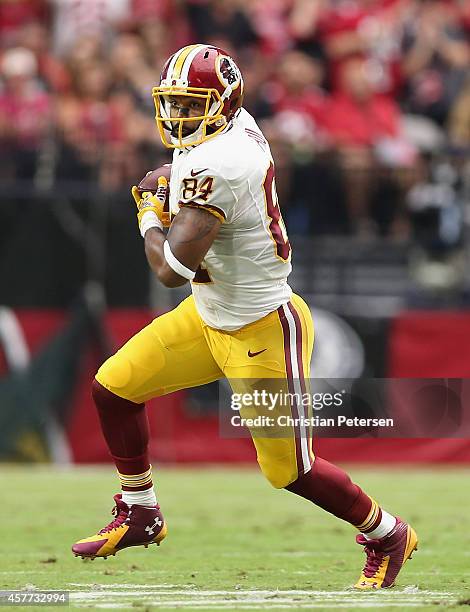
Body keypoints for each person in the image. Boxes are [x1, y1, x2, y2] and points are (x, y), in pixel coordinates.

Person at [71, 43, 418, 590]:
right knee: (113, 388)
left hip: (260, 327)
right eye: (175, 103)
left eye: (191, 105)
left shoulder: (224, 164)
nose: (179, 116)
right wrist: (173, 182)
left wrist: (147, 213)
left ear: (224, 104)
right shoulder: (225, 129)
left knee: (289, 471)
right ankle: (141, 510)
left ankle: (387, 531)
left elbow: (169, 269)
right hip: (209, 315)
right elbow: (188, 174)